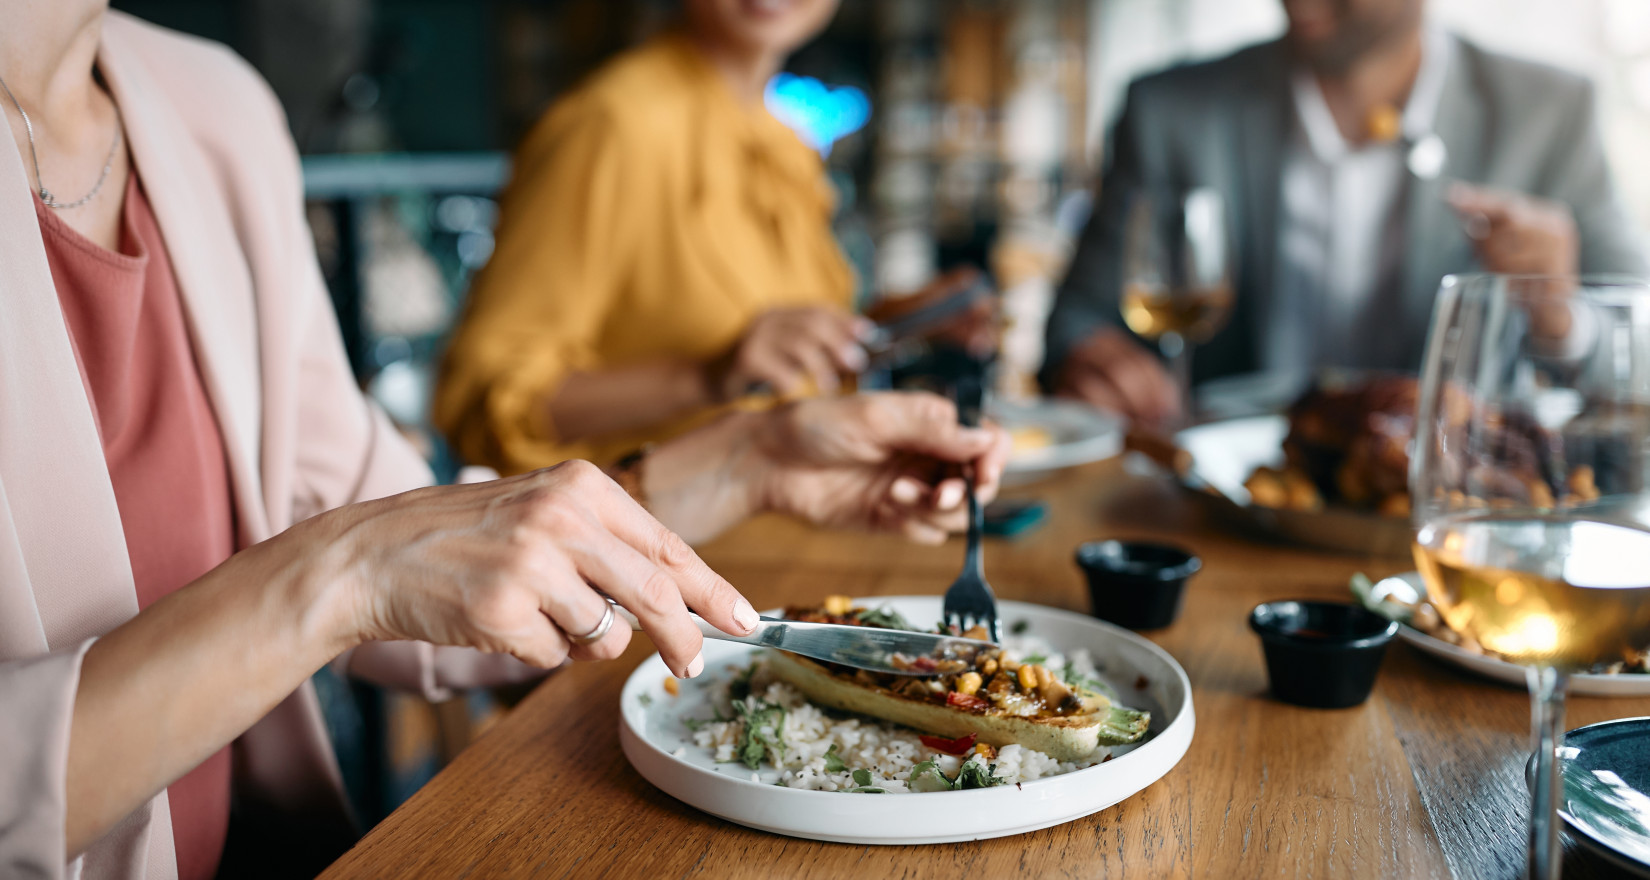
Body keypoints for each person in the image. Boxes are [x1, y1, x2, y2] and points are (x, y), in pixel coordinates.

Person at [0, 5, 1010, 879]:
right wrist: (340, 571)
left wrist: (758, 455)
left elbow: (403, 556)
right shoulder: (614, 123)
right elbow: (403, 504)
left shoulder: (213, 106)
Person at [1042, 0, 1648, 425]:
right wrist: (1093, 361)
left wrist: (1560, 315)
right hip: (1225, 513)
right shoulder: (1170, 109)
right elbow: (1075, 321)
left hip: (1454, 518)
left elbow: (1638, 353)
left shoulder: (1550, 111)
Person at [435, 0, 874, 473]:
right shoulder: (611, 126)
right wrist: (703, 379)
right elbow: (481, 405)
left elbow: (795, 357)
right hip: (645, 538)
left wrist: (905, 322)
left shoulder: (781, 140)